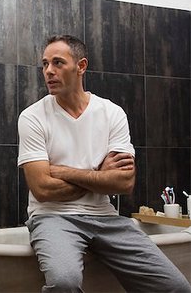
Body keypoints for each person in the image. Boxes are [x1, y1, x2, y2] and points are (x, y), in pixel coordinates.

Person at [18, 35, 190, 292]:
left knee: (176, 287)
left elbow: (124, 182)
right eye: (44, 64)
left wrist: (64, 171)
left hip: (106, 218)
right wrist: (99, 176)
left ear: (81, 66)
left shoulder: (112, 113)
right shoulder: (32, 117)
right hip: (53, 217)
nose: (48, 71)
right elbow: (43, 190)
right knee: (64, 282)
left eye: (57, 63)